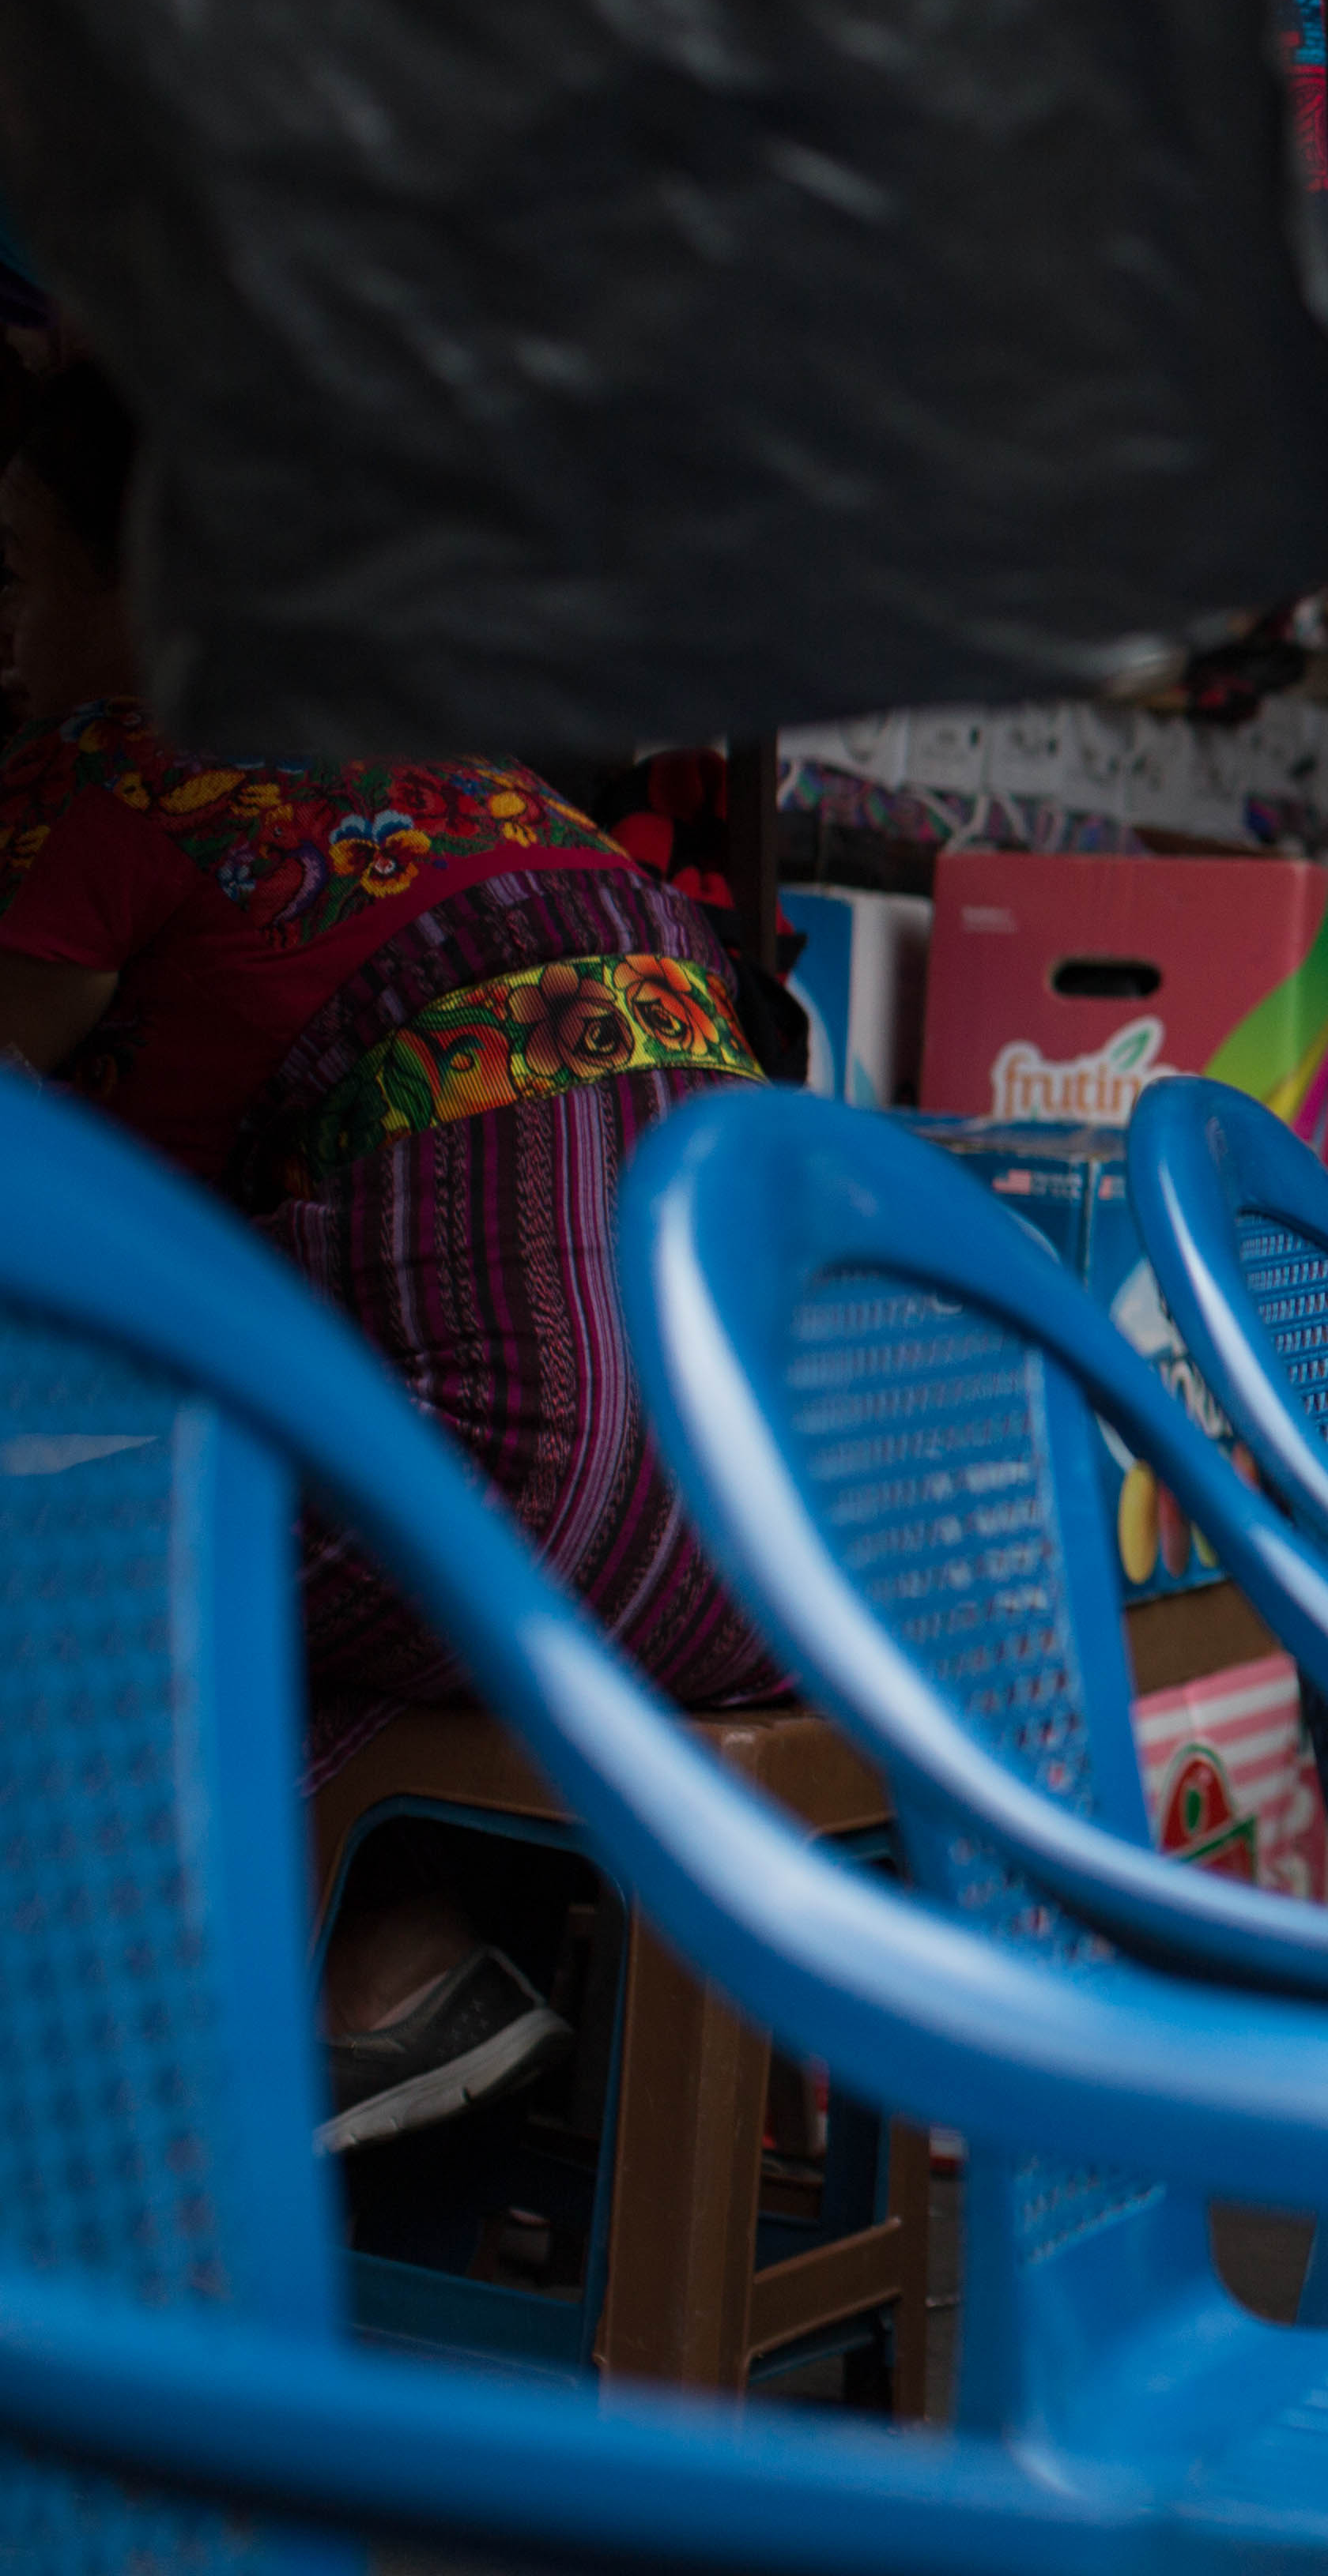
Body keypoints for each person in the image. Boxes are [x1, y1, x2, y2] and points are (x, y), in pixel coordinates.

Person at [0, 361, 787, 2148]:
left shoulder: (122, 762)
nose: (14, 634)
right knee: (266, 1502)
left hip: (519, 1502)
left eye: (24, 577)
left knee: (78, 1559)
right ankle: (403, 1968)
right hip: (757, 1544)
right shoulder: (508, 791)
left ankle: (121, 2102)